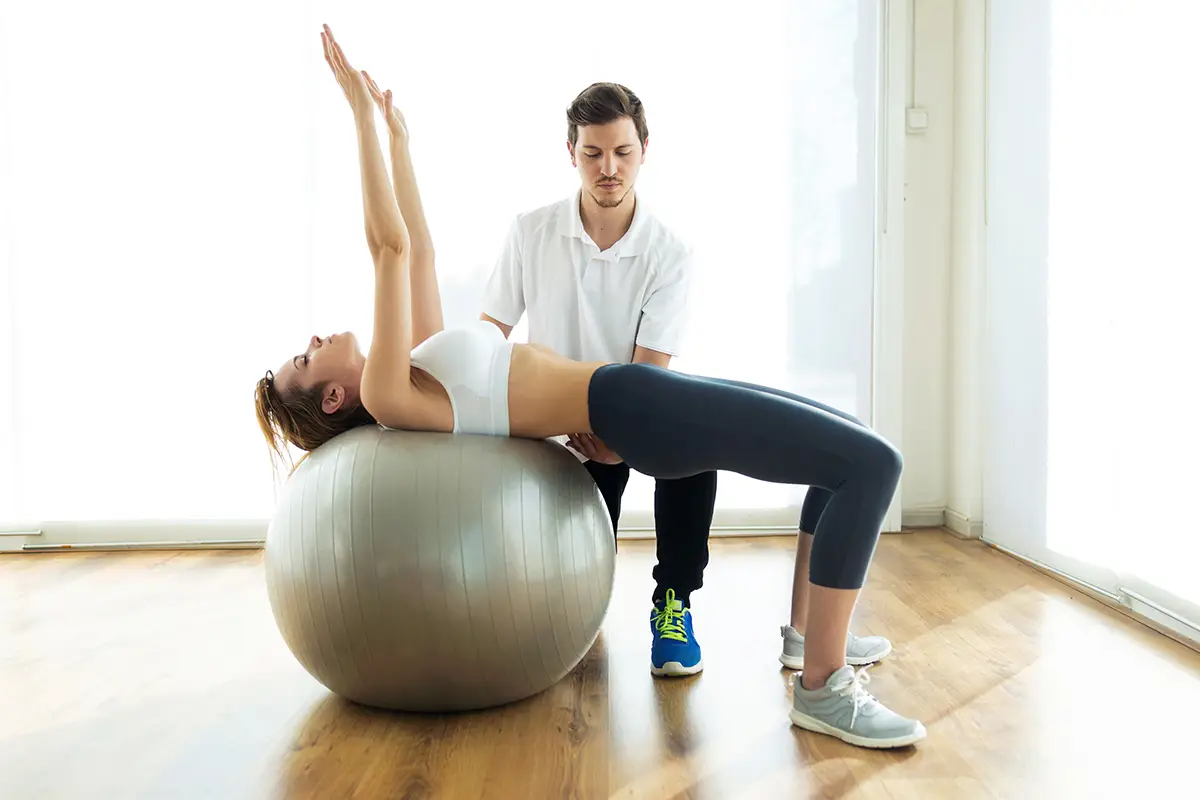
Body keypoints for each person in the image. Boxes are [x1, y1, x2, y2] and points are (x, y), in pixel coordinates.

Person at [254, 26, 926, 749]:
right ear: (332, 399)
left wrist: (397, 138)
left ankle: (806, 639)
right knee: (870, 465)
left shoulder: (418, 363)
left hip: (633, 396)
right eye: (304, 359)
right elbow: (386, 248)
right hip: (627, 405)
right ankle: (823, 690)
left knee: (849, 443)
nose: (315, 341)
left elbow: (417, 246)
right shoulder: (390, 395)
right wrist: (356, 116)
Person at [476, 81, 716, 679]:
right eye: (593, 153)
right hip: (557, 428)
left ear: (644, 150)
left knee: (696, 445)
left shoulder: (670, 252)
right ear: (571, 151)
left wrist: (617, 442)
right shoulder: (531, 232)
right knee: (575, 578)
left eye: (622, 152)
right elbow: (488, 335)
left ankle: (673, 602)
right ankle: (577, 600)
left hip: (632, 413)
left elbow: (649, 373)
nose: (608, 168)